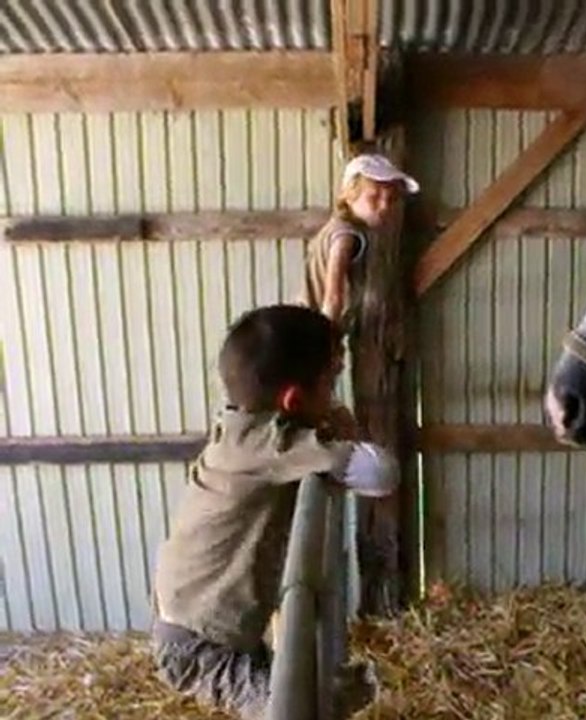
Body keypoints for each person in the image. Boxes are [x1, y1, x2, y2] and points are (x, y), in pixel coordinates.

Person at [150, 304, 398, 719]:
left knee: (304, 696)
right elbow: (380, 472)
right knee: (286, 710)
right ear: (295, 399)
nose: (336, 394)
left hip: (199, 623)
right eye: (331, 381)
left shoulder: (242, 430)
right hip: (198, 643)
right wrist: (337, 421)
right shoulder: (273, 445)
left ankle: (331, 696)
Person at [299, 152, 419, 330]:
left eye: (391, 199)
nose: (384, 206)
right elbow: (333, 296)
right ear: (349, 195)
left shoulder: (336, 227)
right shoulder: (345, 236)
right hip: (314, 327)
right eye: (374, 197)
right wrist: (327, 338)